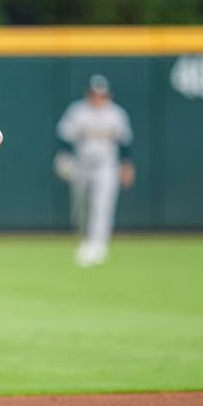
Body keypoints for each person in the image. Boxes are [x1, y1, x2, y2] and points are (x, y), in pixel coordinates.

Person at [56, 74, 135, 267]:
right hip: (81, 165)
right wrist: (63, 159)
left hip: (106, 166)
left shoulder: (116, 114)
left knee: (102, 205)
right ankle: (85, 241)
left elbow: (125, 143)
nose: (98, 97)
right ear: (89, 93)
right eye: (95, 93)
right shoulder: (78, 111)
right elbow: (64, 138)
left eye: (102, 94)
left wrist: (126, 166)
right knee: (81, 206)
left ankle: (98, 246)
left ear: (108, 94)